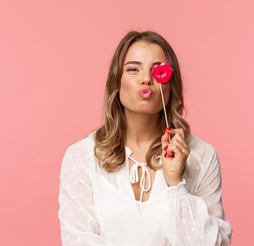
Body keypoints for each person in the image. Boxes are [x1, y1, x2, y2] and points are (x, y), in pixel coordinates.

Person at [57, 31, 233, 246]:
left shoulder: (201, 155)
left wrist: (176, 183)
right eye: (133, 69)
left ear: (170, 85)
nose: (146, 79)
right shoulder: (82, 156)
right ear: (117, 81)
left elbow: (214, 244)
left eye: (157, 70)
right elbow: (78, 240)